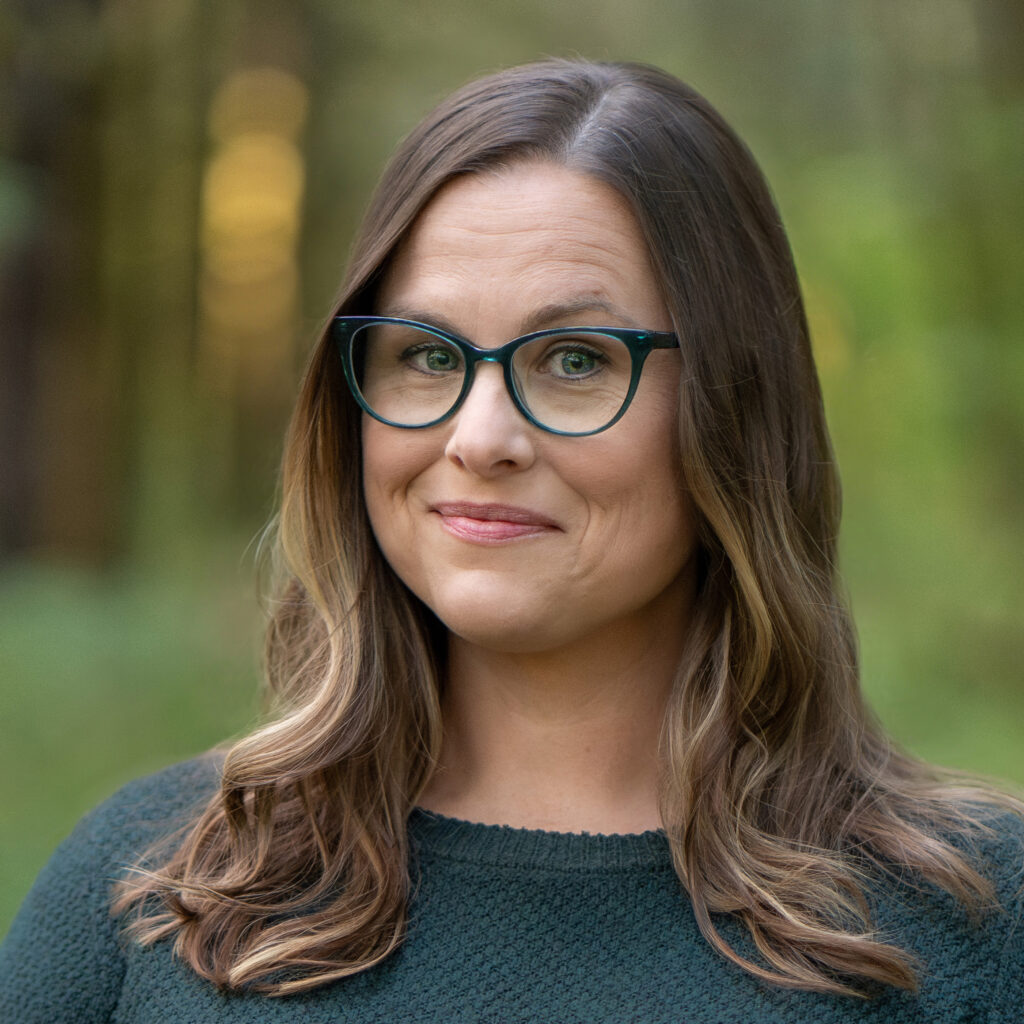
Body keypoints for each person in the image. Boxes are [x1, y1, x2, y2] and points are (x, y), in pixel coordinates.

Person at [2, 58, 1022, 1023]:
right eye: (426, 355)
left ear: (734, 404)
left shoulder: (973, 923)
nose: (479, 437)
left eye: (574, 358)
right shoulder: (154, 887)